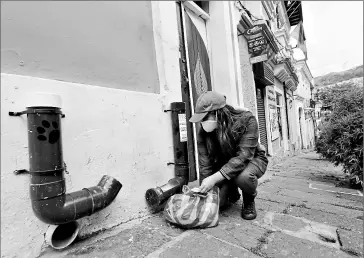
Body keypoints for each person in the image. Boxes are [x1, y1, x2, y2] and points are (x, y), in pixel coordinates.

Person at [189, 91, 268, 220]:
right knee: (219, 204)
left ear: (217, 113)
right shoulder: (203, 132)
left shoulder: (247, 120)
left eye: (204, 118)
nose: (201, 123)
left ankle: (249, 199)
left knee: (243, 178)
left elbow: (243, 157)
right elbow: (205, 164)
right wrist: (204, 190)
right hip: (224, 164)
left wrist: (214, 179)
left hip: (251, 161)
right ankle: (231, 189)